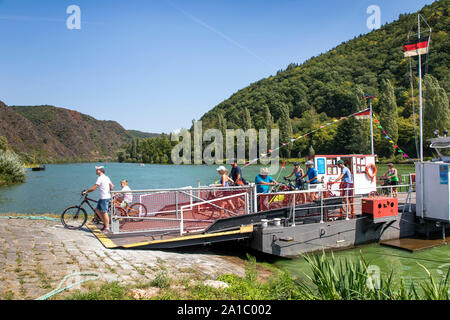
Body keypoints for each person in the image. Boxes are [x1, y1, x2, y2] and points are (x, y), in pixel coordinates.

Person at [83, 166, 114, 233]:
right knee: (97, 210)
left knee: (104, 212)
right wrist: (109, 191)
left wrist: (86, 191)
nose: (96, 171)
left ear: (100, 171)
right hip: (104, 197)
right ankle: (105, 224)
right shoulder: (106, 177)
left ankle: (107, 228)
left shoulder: (100, 178)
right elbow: (112, 186)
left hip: (104, 198)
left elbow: (94, 188)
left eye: (97, 170)